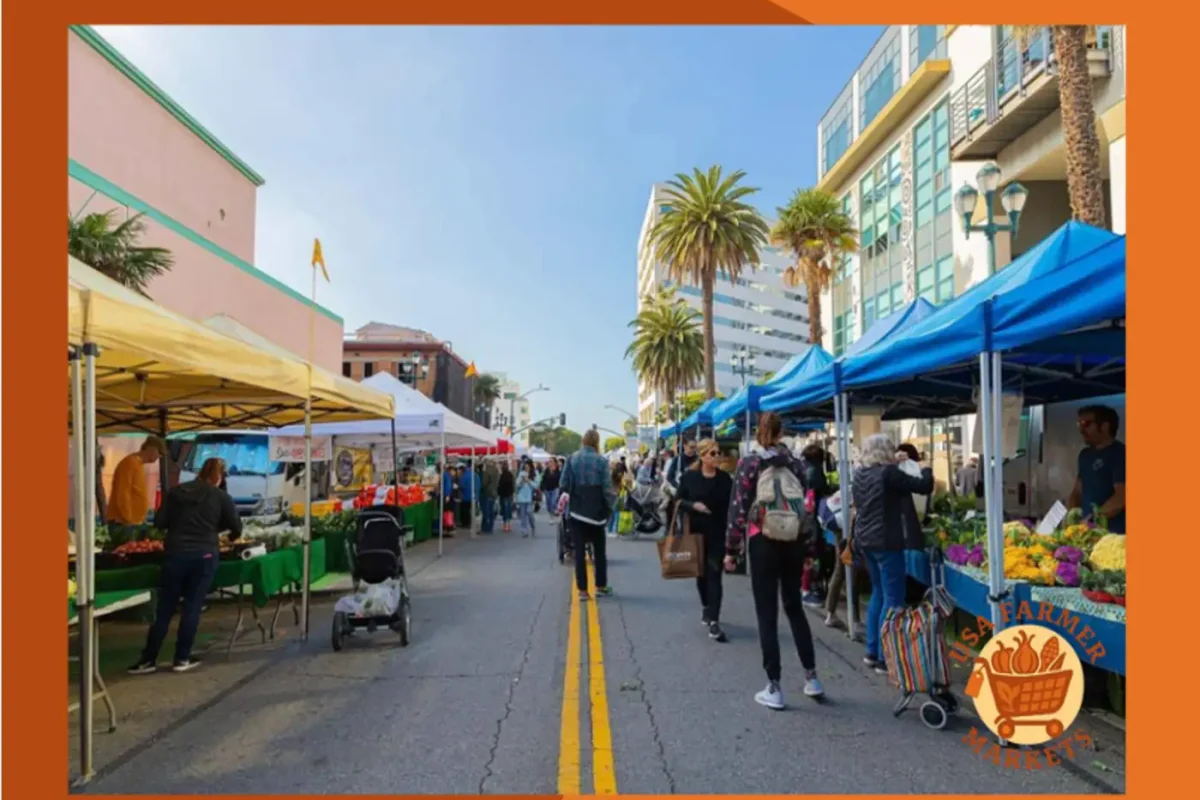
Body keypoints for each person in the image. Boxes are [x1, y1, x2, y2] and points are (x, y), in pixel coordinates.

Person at [725, 412, 825, 709]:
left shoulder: (750, 463)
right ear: (782, 432)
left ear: (758, 431)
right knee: (794, 606)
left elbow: (739, 507)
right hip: (793, 540)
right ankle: (812, 678)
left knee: (766, 613)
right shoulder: (796, 464)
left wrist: (732, 550)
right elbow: (806, 509)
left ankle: (774, 686)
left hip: (763, 541)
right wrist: (809, 552)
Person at [128, 458, 241, 674]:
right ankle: (181, 658)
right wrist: (220, 531)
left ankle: (147, 660)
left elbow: (160, 522)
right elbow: (236, 527)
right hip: (204, 554)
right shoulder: (221, 497)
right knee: (192, 606)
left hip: (175, 553)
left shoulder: (176, 492)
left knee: (165, 607)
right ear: (220, 476)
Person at [851, 433, 934, 675]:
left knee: (878, 592)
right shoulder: (888, 474)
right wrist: (925, 468)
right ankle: (887, 657)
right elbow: (923, 486)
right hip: (887, 541)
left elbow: (886, 480)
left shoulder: (860, 474)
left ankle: (872, 650)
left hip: (866, 541)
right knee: (894, 598)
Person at [675, 439, 734, 642]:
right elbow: (678, 500)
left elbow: (732, 507)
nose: (717, 457)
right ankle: (706, 607)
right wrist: (693, 506)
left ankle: (714, 620)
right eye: (712, 453)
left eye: (718, 453)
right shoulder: (690, 477)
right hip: (696, 532)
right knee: (700, 575)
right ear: (702, 456)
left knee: (715, 574)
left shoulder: (725, 479)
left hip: (718, 532)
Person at [562, 429, 617, 600]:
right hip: (597, 512)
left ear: (583, 441)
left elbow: (563, 483)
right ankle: (600, 585)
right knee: (600, 550)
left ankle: (583, 591)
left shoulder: (572, 459)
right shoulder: (601, 461)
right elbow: (607, 488)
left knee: (579, 552)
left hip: (577, 510)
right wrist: (610, 507)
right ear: (596, 442)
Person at [1067, 405, 1125, 533]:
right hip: (1086, 531)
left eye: (1086, 424)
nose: (1081, 429)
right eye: (1079, 424)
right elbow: (1077, 491)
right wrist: (1070, 516)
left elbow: (1121, 497)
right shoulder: (1084, 455)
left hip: (1112, 533)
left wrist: (1092, 521)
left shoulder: (1120, 454)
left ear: (1105, 426)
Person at [108, 436, 168, 535]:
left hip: (132, 522)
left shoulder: (138, 464)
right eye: (159, 453)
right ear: (151, 448)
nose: (158, 457)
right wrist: (128, 519)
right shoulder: (130, 463)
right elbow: (123, 493)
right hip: (123, 523)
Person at [799, 444, 832, 608]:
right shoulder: (815, 471)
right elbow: (823, 490)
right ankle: (807, 589)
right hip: (813, 517)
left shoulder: (803, 468)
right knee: (812, 552)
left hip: (804, 516)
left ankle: (805, 586)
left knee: (808, 552)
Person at [516, 461, 538, 538]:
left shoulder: (534, 474)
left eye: (528, 467)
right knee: (523, 515)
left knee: (529, 512)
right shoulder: (521, 474)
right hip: (522, 497)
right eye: (525, 467)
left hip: (530, 498)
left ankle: (533, 526)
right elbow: (517, 485)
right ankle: (524, 530)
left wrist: (528, 481)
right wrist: (522, 481)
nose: (526, 469)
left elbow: (536, 486)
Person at [481, 460, 500, 534]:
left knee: (486, 511)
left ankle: (486, 528)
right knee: (491, 511)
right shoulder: (496, 471)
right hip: (494, 493)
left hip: (487, 492)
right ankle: (490, 527)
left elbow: (484, 483)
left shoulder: (486, 471)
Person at [497, 462, 516, 533]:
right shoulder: (510, 475)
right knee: (508, 509)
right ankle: (509, 525)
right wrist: (513, 493)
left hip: (503, 495)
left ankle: (505, 525)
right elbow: (513, 485)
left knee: (504, 510)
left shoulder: (501, 475)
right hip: (509, 494)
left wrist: (498, 493)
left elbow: (499, 485)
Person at [458, 465, 475, 530]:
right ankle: (469, 522)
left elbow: (461, 486)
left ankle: (465, 523)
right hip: (472, 495)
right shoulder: (473, 474)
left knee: (464, 510)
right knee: (469, 510)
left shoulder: (464, 476)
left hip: (465, 495)